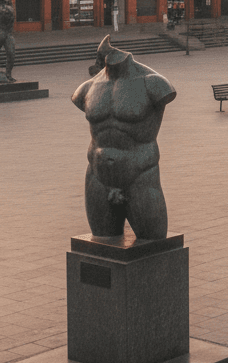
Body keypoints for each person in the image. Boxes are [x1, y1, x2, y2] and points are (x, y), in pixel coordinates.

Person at [71, 35, 177, 241]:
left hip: (140, 176)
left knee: (153, 243)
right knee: (102, 242)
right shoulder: (87, 88)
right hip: (97, 176)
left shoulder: (153, 84)